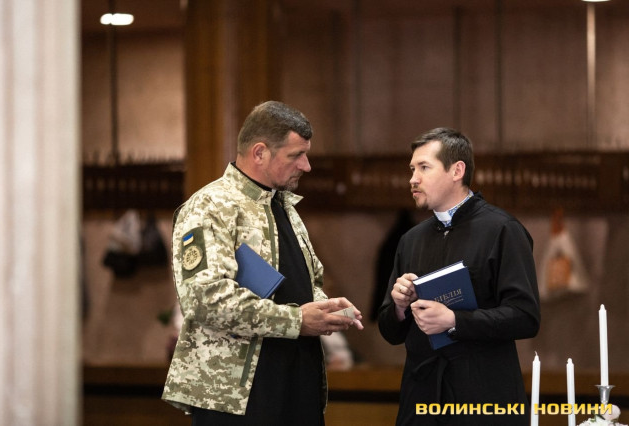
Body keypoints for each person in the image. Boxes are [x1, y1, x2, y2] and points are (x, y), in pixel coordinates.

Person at [162, 100, 363, 426]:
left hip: (298, 385)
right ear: (259, 153)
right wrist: (298, 320)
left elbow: (305, 284)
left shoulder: (284, 207)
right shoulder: (209, 206)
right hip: (234, 397)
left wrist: (326, 309)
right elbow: (205, 299)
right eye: (296, 155)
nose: (306, 166)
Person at [377, 128, 540, 426]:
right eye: (412, 169)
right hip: (422, 398)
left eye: (424, 167)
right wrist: (399, 307)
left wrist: (454, 320)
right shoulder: (410, 240)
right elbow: (390, 332)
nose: (413, 179)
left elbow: (526, 316)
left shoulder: (502, 230)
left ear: (457, 171)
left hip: (482, 397)